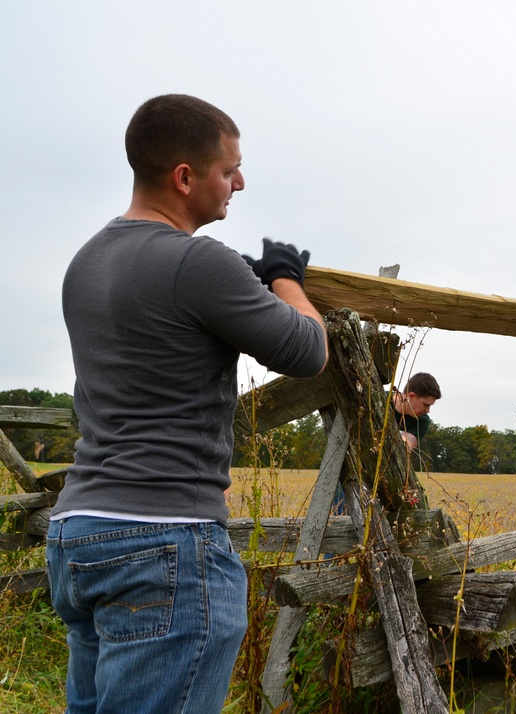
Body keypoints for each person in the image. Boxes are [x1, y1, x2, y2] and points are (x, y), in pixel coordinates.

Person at [46, 94, 329, 714]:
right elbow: (306, 349)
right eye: (229, 170)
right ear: (184, 177)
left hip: (80, 532)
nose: (239, 182)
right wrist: (286, 279)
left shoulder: (86, 261)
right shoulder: (198, 261)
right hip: (164, 541)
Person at [390, 372, 441, 451]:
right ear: (411, 396)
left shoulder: (422, 421)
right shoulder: (380, 397)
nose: (428, 411)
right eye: (425, 405)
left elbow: (404, 446)